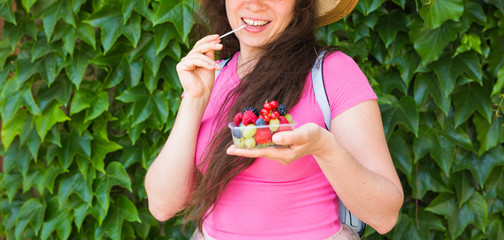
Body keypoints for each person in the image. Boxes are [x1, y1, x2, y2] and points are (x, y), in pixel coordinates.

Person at [144, 0, 404, 239]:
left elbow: (385, 216)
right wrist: (194, 99)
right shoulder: (210, 77)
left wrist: (324, 148)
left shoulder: (334, 73)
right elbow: (162, 205)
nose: (254, 4)